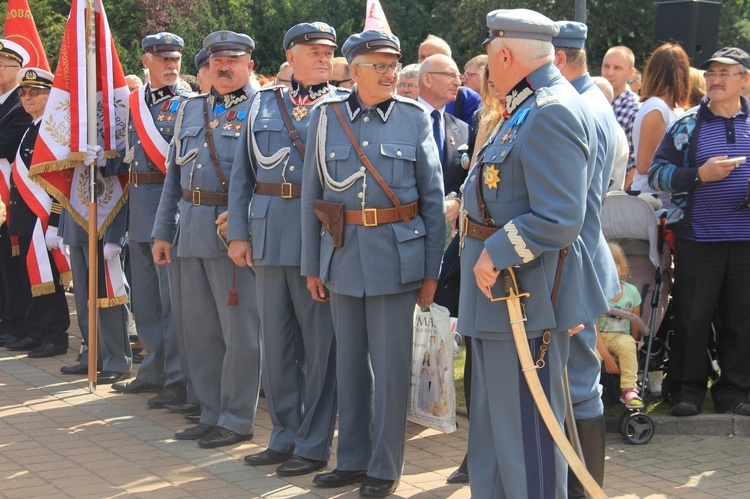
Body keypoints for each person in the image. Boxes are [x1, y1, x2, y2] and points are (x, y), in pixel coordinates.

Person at [459, 9, 608, 497]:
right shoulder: (525, 104)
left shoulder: (550, 109)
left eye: (489, 57)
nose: (486, 68)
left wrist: (496, 251)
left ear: (504, 54)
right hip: (502, 300)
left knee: (528, 442)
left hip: (526, 299)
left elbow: (561, 215)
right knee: (493, 436)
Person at [301, 29, 445, 497]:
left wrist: (430, 272)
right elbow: (312, 198)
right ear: (355, 70)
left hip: (394, 260)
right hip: (342, 258)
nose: (388, 74)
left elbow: (432, 199)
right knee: (349, 368)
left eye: (392, 65)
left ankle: (385, 467)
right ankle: (352, 460)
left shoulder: (414, 119)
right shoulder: (327, 117)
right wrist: (312, 264)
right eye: (378, 66)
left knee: (389, 369)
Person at [228, 21, 344, 477]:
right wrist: (239, 232)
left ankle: (314, 444)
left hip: (318, 240)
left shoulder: (342, 106)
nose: (322, 57)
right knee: (274, 347)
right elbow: (243, 174)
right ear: (290, 55)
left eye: (327, 51)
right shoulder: (261, 103)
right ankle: (284, 434)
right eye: (312, 50)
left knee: (320, 351)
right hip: (269, 237)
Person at [152, 30, 261, 448]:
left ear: (250, 65)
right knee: (197, 331)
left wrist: (242, 223)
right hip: (189, 228)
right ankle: (210, 410)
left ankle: (236, 419)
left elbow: (268, 178)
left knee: (239, 333)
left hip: (230, 235)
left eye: (233, 59)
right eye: (217, 60)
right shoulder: (192, 109)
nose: (224, 66)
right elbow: (173, 177)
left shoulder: (262, 108)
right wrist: (163, 231)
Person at [649, 47, 750, 417]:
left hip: (746, 242)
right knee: (692, 316)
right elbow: (655, 173)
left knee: (742, 318)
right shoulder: (686, 124)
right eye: (711, 73)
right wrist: (698, 175)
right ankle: (685, 391)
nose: (715, 80)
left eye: (725, 73)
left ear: (745, 80)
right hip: (698, 238)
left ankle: (735, 391)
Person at [106, 33, 192, 411]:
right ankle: (153, 370)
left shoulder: (189, 103)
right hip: (138, 205)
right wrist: (102, 159)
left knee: (171, 300)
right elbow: (128, 154)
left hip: (168, 207)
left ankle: (177, 377)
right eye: (163, 59)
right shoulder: (134, 103)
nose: (171, 65)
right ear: (146, 60)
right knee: (146, 300)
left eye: (175, 58)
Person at [552, 21, 620, 497]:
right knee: (578, 382)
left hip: (574, 267)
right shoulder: (593, 102)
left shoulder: (577, 107)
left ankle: (582, 489)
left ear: (556, 58)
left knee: (577, 384)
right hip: (584, 263)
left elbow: (572, 216)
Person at [4, 68, 70, 358]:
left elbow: (61, 178)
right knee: (29, 275)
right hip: (25, 215)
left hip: (42, 216)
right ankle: (36, 331)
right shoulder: (32, 127)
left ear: (50, 95)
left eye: (35, 92)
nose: (27, 98)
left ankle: (55, 336)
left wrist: (55, 222)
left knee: (48, 279)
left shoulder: (53, 131)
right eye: (23, 93)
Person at [0, 39, 32, 348]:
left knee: (15, 263)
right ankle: (7, 320)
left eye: (0, 65)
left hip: (14, 195)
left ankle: (18, 324)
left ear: (17, 70)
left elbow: (4, 145)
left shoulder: (20, 106)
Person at [631, 43, 690, 208]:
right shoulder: (656, 108)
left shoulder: (668, 108)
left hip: (662, 204)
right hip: (650, 204)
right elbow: (644, 165)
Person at [596, 242, 643, 408]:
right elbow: (592, 329)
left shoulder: (632, 292)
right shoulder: (595, 293)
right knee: (589, 356)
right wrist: (607, 357)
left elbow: (636, 324)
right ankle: (590, 390)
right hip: (598, 337)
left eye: (613, 265)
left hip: (620, 336)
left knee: (628, 344)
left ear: (622, 268)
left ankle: (630, 389)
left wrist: (636, 341)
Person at [418, 35, 481, 129]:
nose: (425, 61)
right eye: (422, 57)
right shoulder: (404, 102)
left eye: (431, 57)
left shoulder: (465, 99)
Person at [602, 45, 640, 184]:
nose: (610, 72)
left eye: (617, 68)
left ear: (631, 73)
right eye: (606, 66)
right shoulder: (595, 102)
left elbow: (636, 165)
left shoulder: (635, 109)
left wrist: (619, 198)